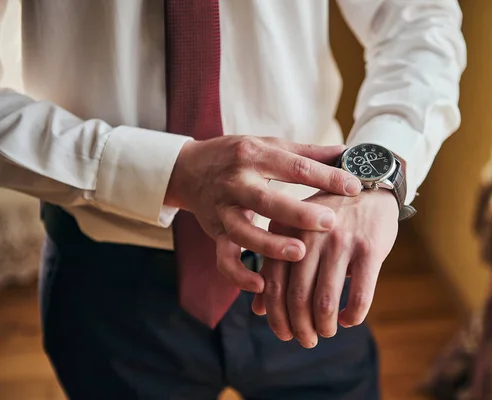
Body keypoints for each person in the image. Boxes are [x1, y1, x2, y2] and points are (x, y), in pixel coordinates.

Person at [0, 1, 466, 399]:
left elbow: (418, 17)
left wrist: (379, 179)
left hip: (316, 248)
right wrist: (168, 172)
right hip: (108, 275)